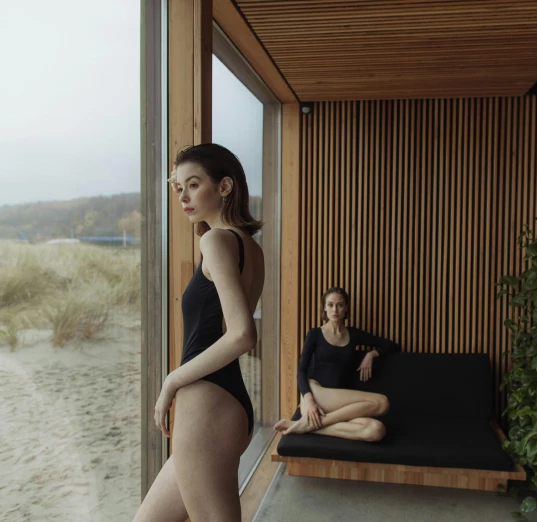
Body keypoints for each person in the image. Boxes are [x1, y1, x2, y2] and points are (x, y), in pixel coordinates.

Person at [133, 143, 264, 522]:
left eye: (193, 185)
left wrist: (172, 380)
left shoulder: (215, 241)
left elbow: (241, 334)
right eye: (178, 188)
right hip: (224, 402)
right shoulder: (249, 247)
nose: (184, 196)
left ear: (225, 186)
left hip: (206, 406)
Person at [274, 287, 399, 441]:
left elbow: (391, 345)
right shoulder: (315, 334)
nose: (335, 309)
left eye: (339, 305)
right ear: (324, 307)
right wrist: (310, 400)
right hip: (317, 393)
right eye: (330, 304)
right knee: (382, 402)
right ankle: (309, 423)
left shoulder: (354, 335)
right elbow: (301, 371)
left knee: (376, 431)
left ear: (346, 308)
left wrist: (371, 354)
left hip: (338, 405)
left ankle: (309, 426)